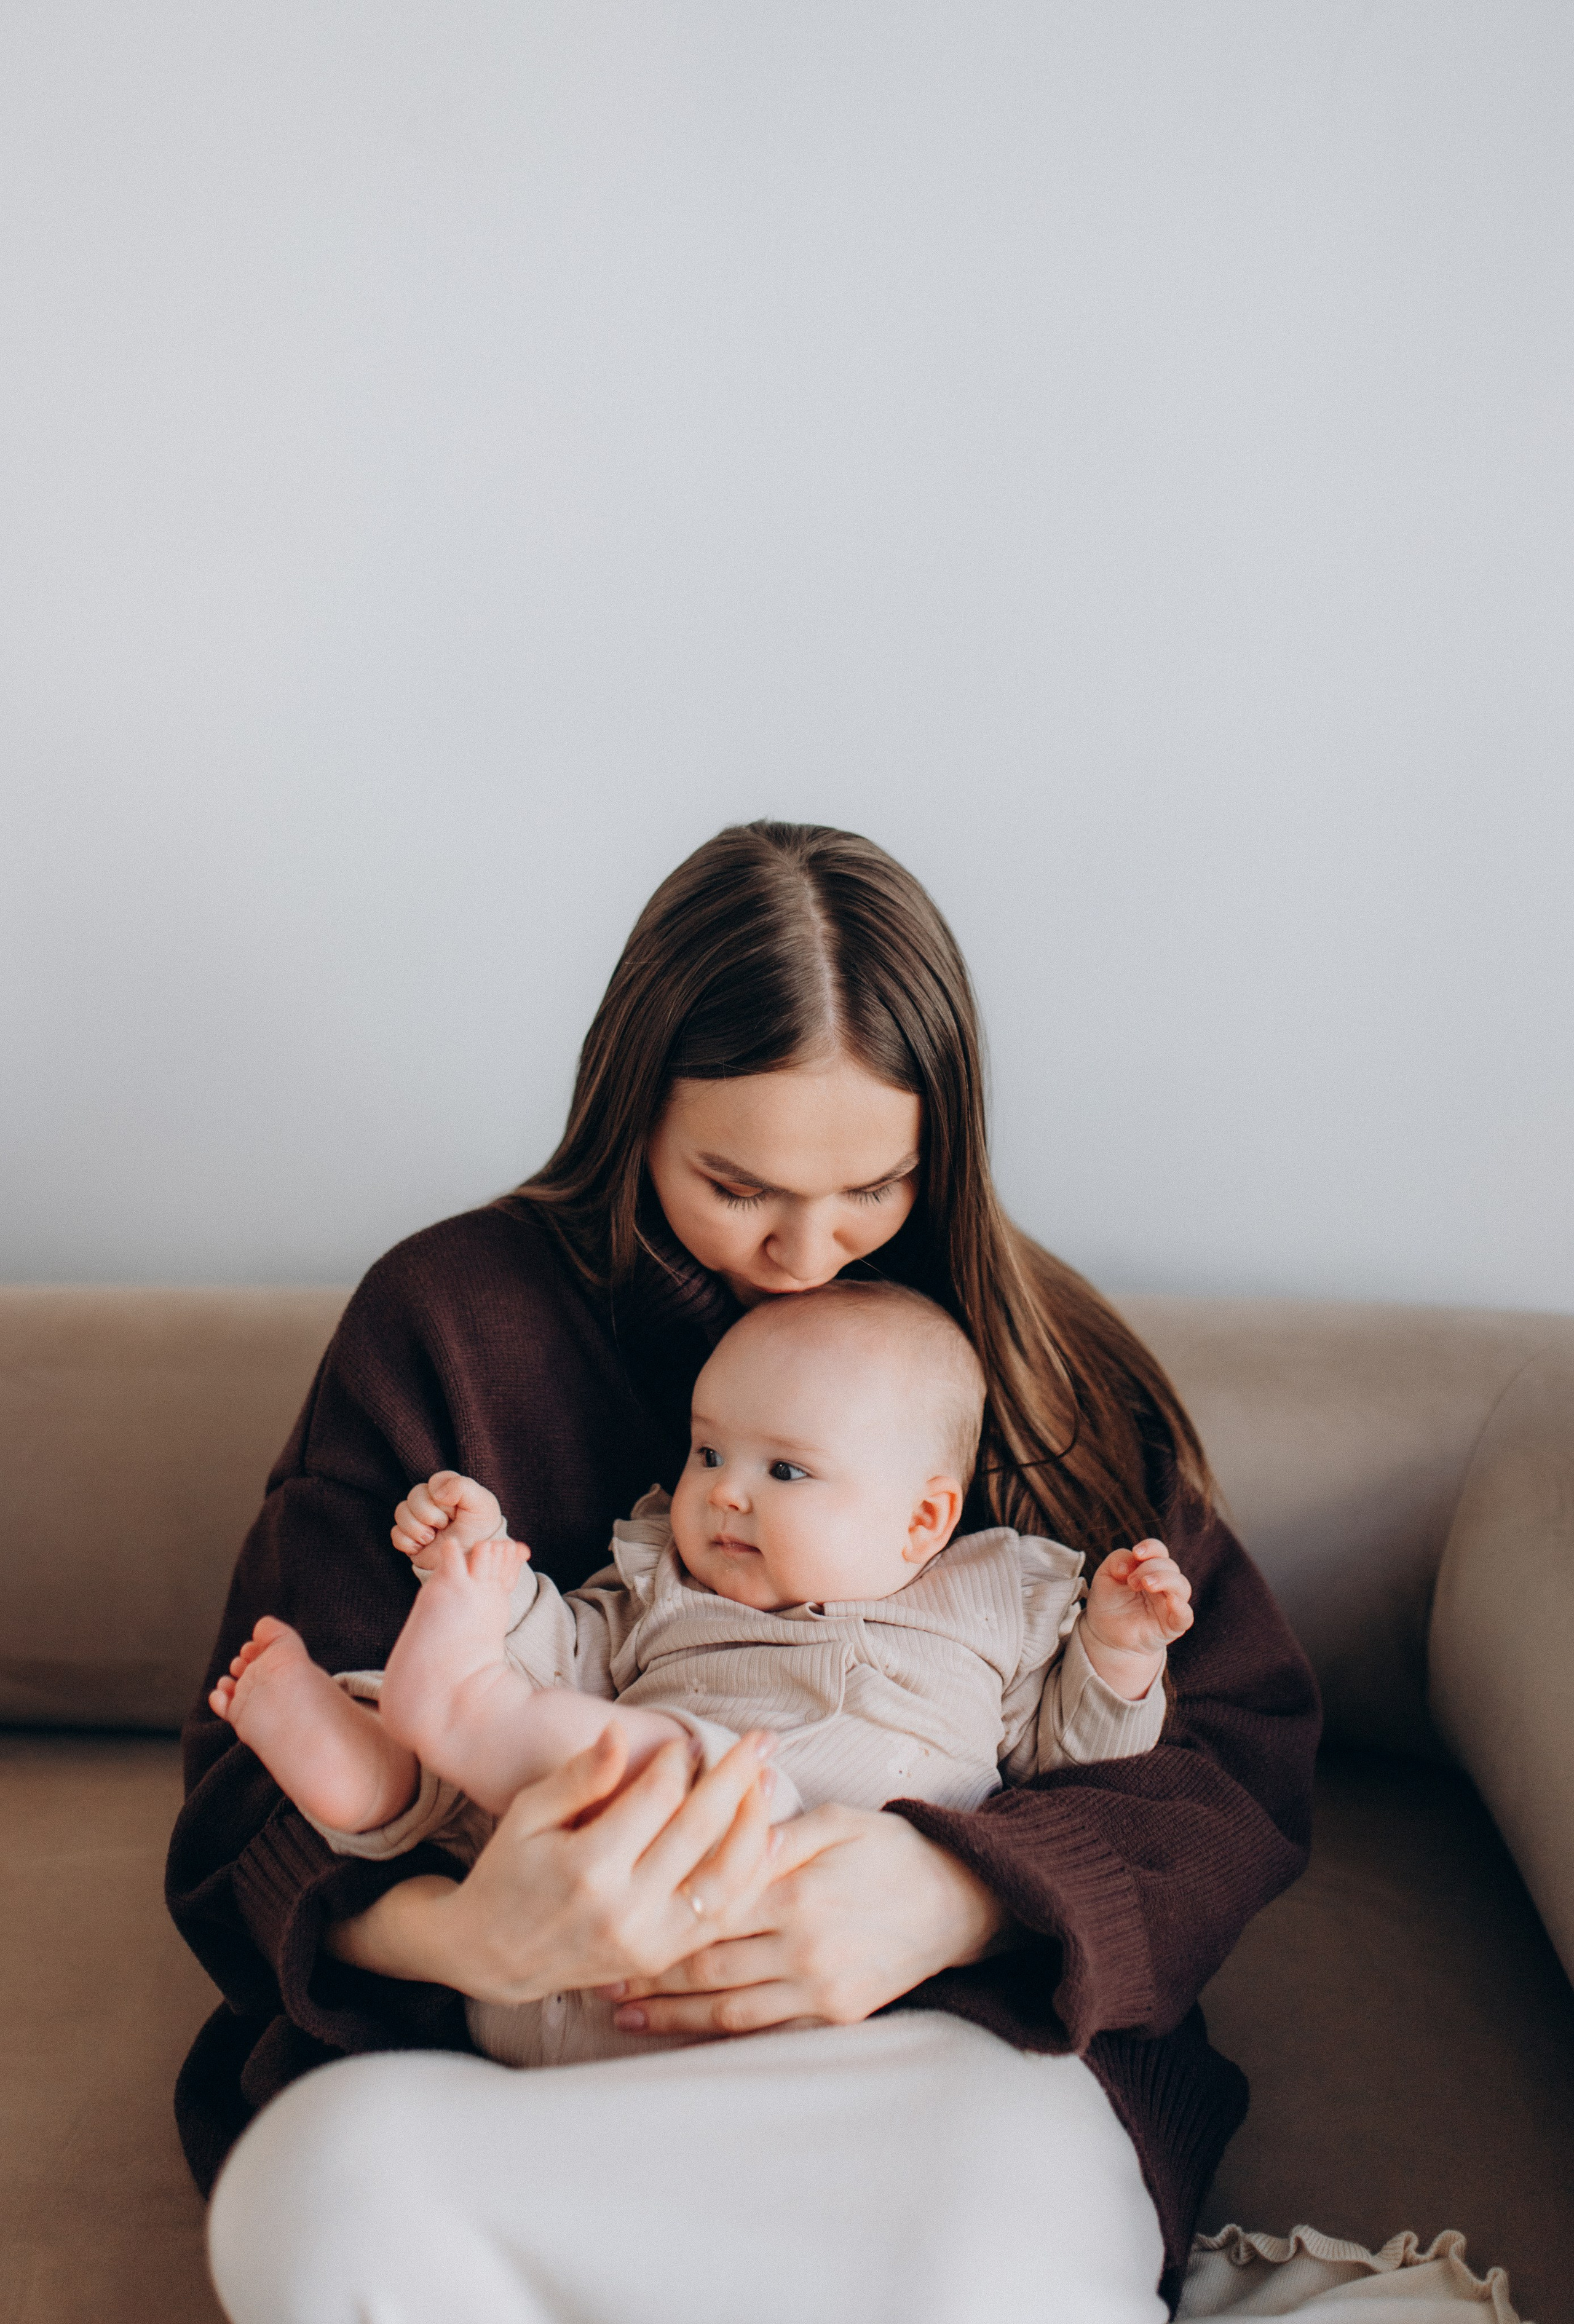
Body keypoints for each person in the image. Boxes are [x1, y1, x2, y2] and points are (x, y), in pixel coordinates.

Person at [167, 820, 1319, 2323]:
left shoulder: (1034, 1373)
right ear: (628, 1108)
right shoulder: (447, 1321)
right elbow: (251, 1796)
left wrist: (960, 1897)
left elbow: (1235, 1755)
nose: (804, 1250)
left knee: (990, 2236)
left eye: (873, 1191)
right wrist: (465, 1935)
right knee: (321, 2188)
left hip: (941, 2060)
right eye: (740, 1186)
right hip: (520, 2063)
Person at [204, 1282, 1196, 2069]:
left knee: (698, 1773)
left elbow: (1076, 1768)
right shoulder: (666, 1591)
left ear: (924, 1521)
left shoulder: (1000, 1598)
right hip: (587, 1941)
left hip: (812, 1970)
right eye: (708, 1450)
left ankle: (424, 1741)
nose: (723, 1491)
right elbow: (563, 1660)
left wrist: (1119, 1651)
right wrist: (484, 1574)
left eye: (786, 1471)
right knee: (583, 1776)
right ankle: (381, 1767)